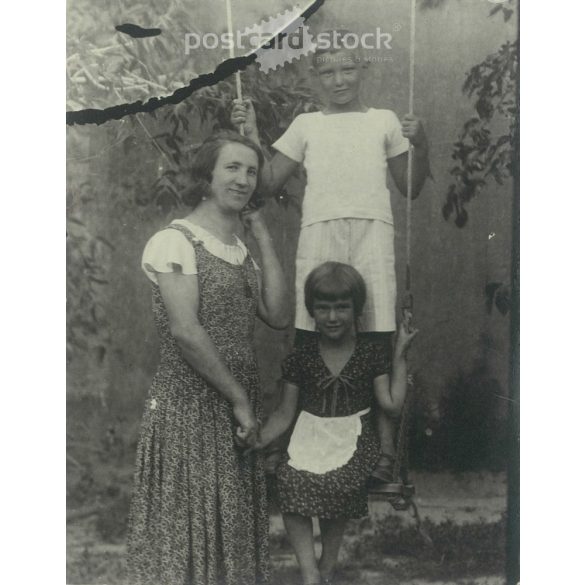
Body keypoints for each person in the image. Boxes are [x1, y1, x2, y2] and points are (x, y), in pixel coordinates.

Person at [230, 30, 430, 485]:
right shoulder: (306, 125)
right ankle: (288, 442)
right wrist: (254, 133)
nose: (338, 79)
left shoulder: (384, 120)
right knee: (309, 330)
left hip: (372, 230)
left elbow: (412, 185)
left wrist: (424, 141)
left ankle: (384, 454)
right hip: (320, 230)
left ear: (363, 69)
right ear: (315, 77)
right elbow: (265, 184)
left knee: (376, 333)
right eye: (327, 71)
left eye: (347, 69)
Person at [126, 130, 288, 585]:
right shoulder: (174, 241)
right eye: (232, 168)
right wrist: (239, 400)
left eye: (252, 171)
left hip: (235, 407)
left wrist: (262, 237)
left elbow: (277, 313)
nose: (243, 179)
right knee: (189, 527)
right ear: (207, 177)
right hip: (189, 405)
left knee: (227, 529)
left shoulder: (239, 251)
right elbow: (187, 332)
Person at [248, 262, 418, 585]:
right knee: (288, 479)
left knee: (339, 481)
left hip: (354, 437)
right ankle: (310, 573)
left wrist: (400, 355)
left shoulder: (370, 354)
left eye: (342, 307)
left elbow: (392, 405)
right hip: (310, 435)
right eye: (323, 308)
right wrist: (259, 439)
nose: (332, 317)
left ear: (356, 310)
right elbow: (285, 413)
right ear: (312, 311)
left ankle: (327, 565)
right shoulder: (303, 356)